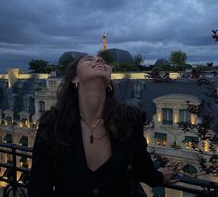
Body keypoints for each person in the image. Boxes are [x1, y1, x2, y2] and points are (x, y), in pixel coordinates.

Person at [28, 55, 177, 197]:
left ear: (109, 82)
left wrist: (158, 178)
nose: (99, 59)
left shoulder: (129, 118)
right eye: (88, 59)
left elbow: (142, 164)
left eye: (103, 61)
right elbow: (39, 186)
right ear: (75, 78)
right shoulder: (52, 124)